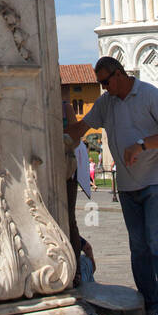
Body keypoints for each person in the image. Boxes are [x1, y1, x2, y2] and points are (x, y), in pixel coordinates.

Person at [89, 57, 158, 315]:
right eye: (100, 84)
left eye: (106, 81)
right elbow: (83, 127)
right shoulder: (107, 102)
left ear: (119, 74)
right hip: (129, 187)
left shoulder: (149, 94)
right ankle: (152, 307)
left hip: (157, 181)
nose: (104, 88)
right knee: (139, 249)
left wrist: (142, 145)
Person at [62, 96, 97, 284]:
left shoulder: (65, 106)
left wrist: (63, 138)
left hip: (66, 168)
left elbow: (76, 138)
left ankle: (75, 268)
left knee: (68, 217)